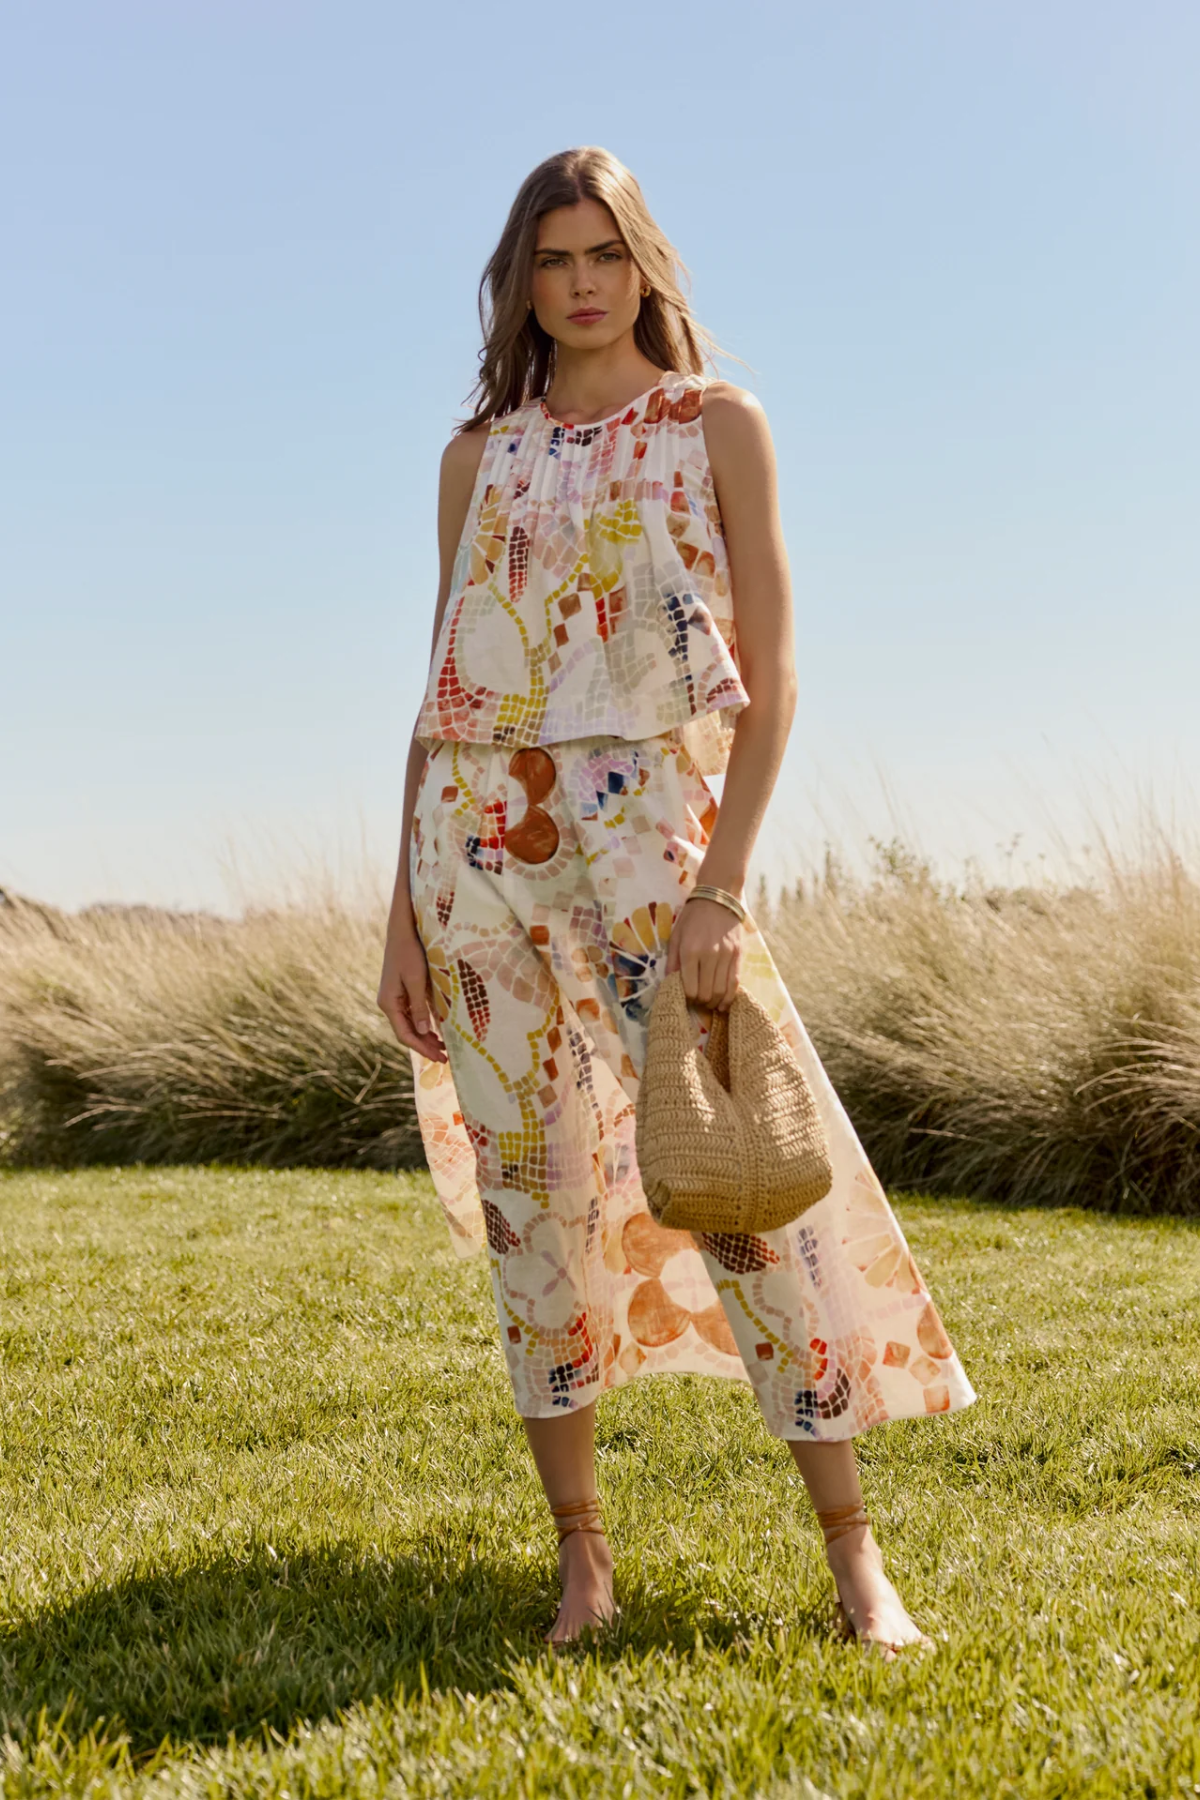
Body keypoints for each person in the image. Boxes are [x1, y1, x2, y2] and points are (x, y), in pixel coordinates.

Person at [378, 145, 976, 1657]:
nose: (581, 283)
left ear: (646, 264)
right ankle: (582, 1559)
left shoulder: (715, 424)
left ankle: (857, 1563)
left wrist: (725, 886)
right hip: (481, 862)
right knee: (536, 1206)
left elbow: (771, 688)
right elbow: (442, 693)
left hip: (660, 868)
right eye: (553, 261)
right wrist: (399, 909)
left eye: (606, 254)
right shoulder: (477, 458)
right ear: (521, 283)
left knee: (747, 1198)